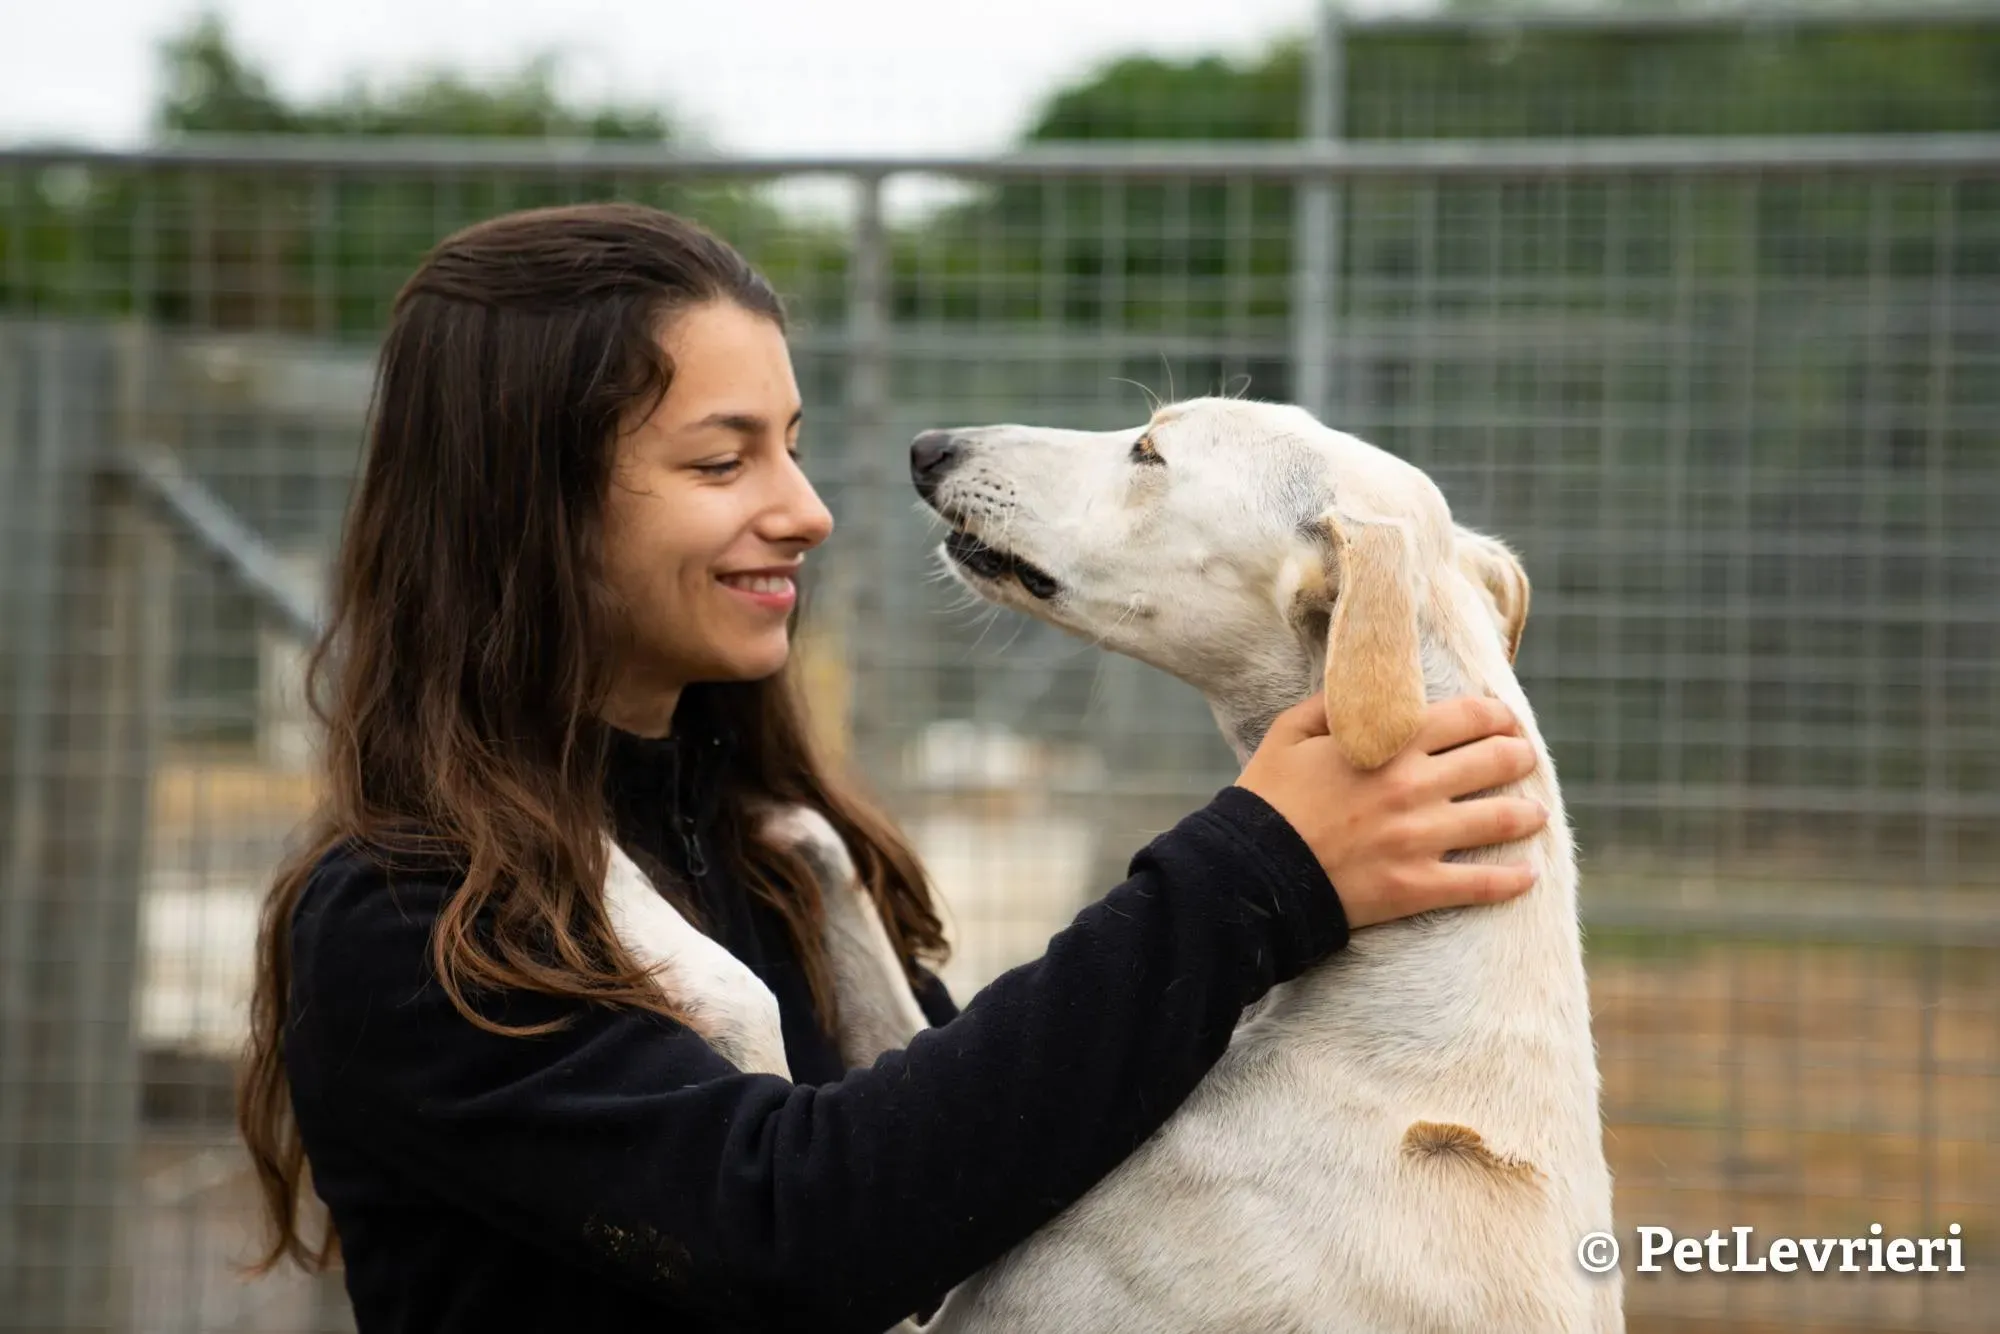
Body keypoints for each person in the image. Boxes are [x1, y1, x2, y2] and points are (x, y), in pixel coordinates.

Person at [239, 202, 1549, 1334]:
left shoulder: (774, 851)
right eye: (720, 458)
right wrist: (1254, 874)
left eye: (792, 443)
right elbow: (804, 1233)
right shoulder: (413, 919)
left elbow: (962, 1174)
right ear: (527, 505)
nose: (807, 508)